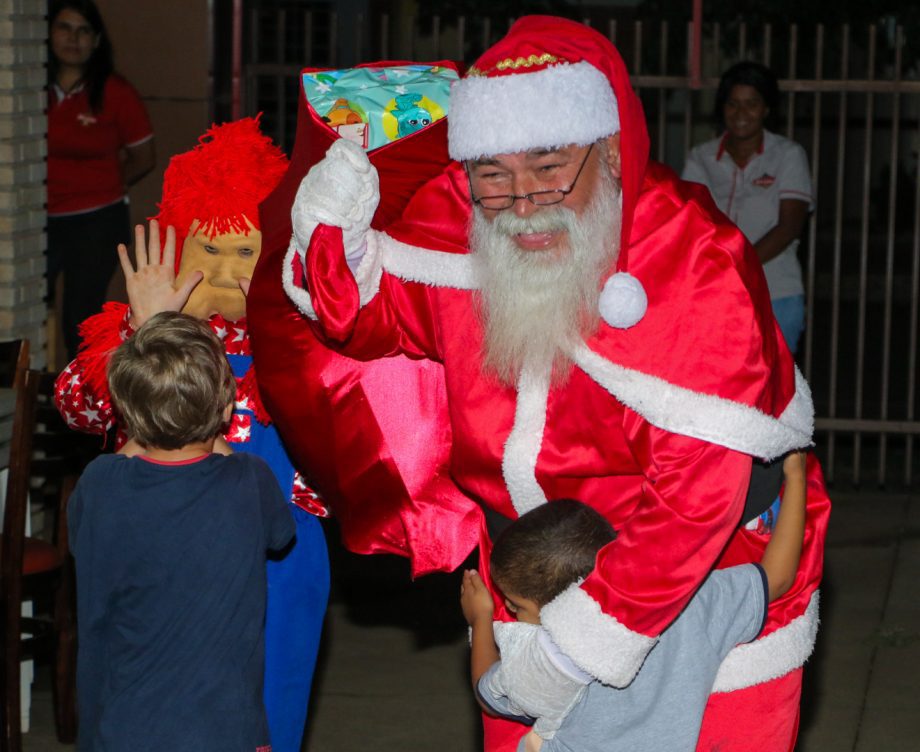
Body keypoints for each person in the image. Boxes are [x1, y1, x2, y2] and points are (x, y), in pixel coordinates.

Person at [273, 15, 830, 751]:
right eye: (493, 175)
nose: (524, 202)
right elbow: (364, 320)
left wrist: (576, 649)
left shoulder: (692, 257)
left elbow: (699, 496)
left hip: (698, 584)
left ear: (607, 150)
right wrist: (332, 226)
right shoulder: (460, 218)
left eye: (549, 168)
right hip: (527, 580)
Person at [54, 118, 328, 752]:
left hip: (278, 554)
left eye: (246, 252)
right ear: (181, 248)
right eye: (212, 250)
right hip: (160, 554)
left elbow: (352, 439)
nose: (229, 273)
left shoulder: (302, 333)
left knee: (267, 713)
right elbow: (77, 407)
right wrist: (144, 332)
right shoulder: (149, 330)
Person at [462, 450, 807, 752]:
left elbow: (487, 695)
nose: (510, 610)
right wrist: (794, 477)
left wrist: (480, 619)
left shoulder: (557, 656)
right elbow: (776, 579)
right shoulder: (693, 606)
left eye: (518, 605)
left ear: (559, 606)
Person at [68, 311, 294, 751]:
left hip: (120, 728)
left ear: (127, 414)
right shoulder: (249, 481)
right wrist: (214, 425)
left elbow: (82, 538)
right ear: (226, 407)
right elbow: (281, 536)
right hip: (223, 730)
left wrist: (145, 422)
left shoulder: (100, 483)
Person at [47, 0, 156, 361]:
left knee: (80, 317)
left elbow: (144, 157)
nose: (73, 39)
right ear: (48, 33)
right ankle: (29, 401)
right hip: (37, 220)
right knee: (25, 306)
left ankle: (79, 407)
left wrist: (104, 185)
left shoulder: (115, 92)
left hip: (96, 219)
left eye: (83, 31)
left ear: (96, 40)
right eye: (64, 28)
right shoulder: (28, 88)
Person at [682, 61, 813, 354]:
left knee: (775, 395)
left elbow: (789, 227)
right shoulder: (700, 158)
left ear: (766, 109)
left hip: (776, 294)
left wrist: (737, 263)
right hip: (714, 294)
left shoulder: (788, 155)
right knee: (718, 392)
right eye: (733, 104)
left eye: (752, 104)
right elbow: (690, 222)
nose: (741, 114)